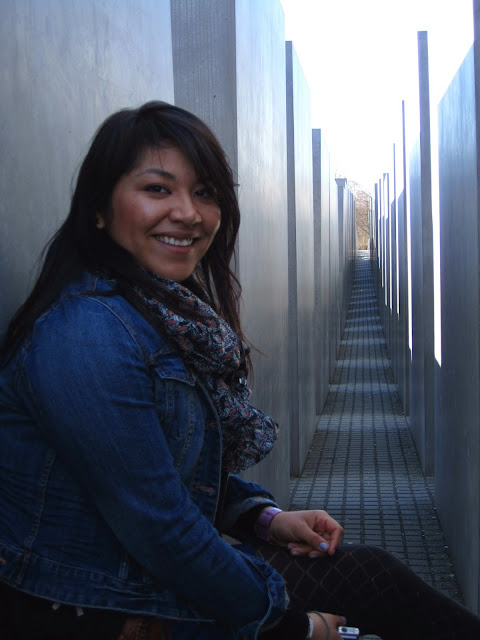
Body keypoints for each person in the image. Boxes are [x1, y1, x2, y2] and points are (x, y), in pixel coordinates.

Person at [0, 101, 479, 640]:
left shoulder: (159, 314)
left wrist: (265, 519)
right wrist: (293, 628)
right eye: (157, 189)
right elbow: (163, 527)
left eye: (205, 192)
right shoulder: (87, 335)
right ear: (98, 209)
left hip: (141, 578)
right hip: (101, 609)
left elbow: (166, 470)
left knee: (372, 576)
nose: (189, 213)